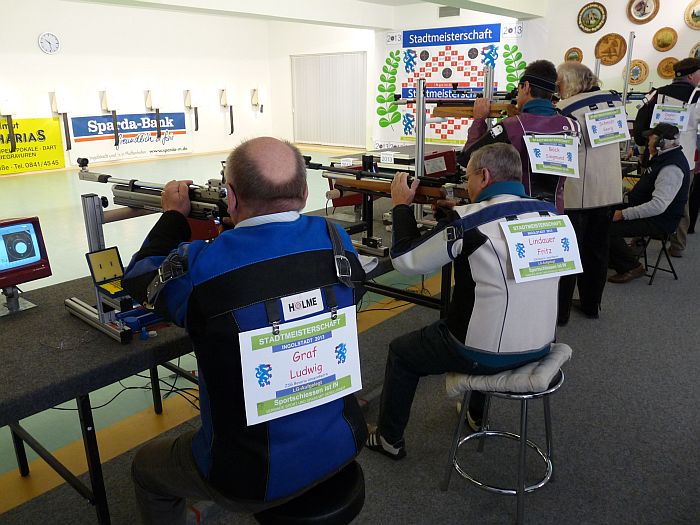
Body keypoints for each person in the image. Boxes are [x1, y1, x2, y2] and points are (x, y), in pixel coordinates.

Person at [122, 137, 367, 524]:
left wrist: (173, 216)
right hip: (343, 439)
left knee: (145, 470)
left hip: (250, 475)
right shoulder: (339, 242)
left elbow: (139, 278)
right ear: (304, 193)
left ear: (231, 198)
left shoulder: (201, 266)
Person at [366, 143, 559, 459]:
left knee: (402, 352)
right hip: (541, 344)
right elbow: (498, 224)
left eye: (468, 177)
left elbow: (406, 260)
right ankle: (476, 414)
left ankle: (389, 439)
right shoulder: (551, 212)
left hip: (484, 354)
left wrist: (401, 206)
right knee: (492, 310)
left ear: (484, 176)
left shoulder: (466, 221)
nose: (466, 184)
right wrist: (456, 215)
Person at [458, 59, 580, 212]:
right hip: (555, 214)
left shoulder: (510, 126)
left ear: (526, 86)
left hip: (517, 214)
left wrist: (479, 120)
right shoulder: (573, 126)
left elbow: (467, 158)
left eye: (518, 90)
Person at [555, 61, 623, 324]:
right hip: (608, 191)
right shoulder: (614, 102)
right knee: (597, 251)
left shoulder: (565, 109)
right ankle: (592, 304)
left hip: (577, 194)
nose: (558, 89)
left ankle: (561, 313)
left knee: (568, 255)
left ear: (570, 82)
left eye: (560, 83)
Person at [633, 57, 700, 257]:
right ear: (691, 75)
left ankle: (638, 241)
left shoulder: (656, 93)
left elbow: (640, 124)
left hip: (654, 155)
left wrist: (644, 145)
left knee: (644, 197)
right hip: (684, 159)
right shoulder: (697, 97)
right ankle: (677, 245)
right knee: (681, 202)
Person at [608, 124, 690, 283]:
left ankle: (632, 267)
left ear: (662, 142)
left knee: (606, 228)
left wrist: (623, 214)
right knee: (602, 214)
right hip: (648, 212)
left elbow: (657, 206)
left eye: (651, 139)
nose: (648, 143)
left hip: (659, 220)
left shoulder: (671, 168)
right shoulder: (664, 158)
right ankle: (616, 257)